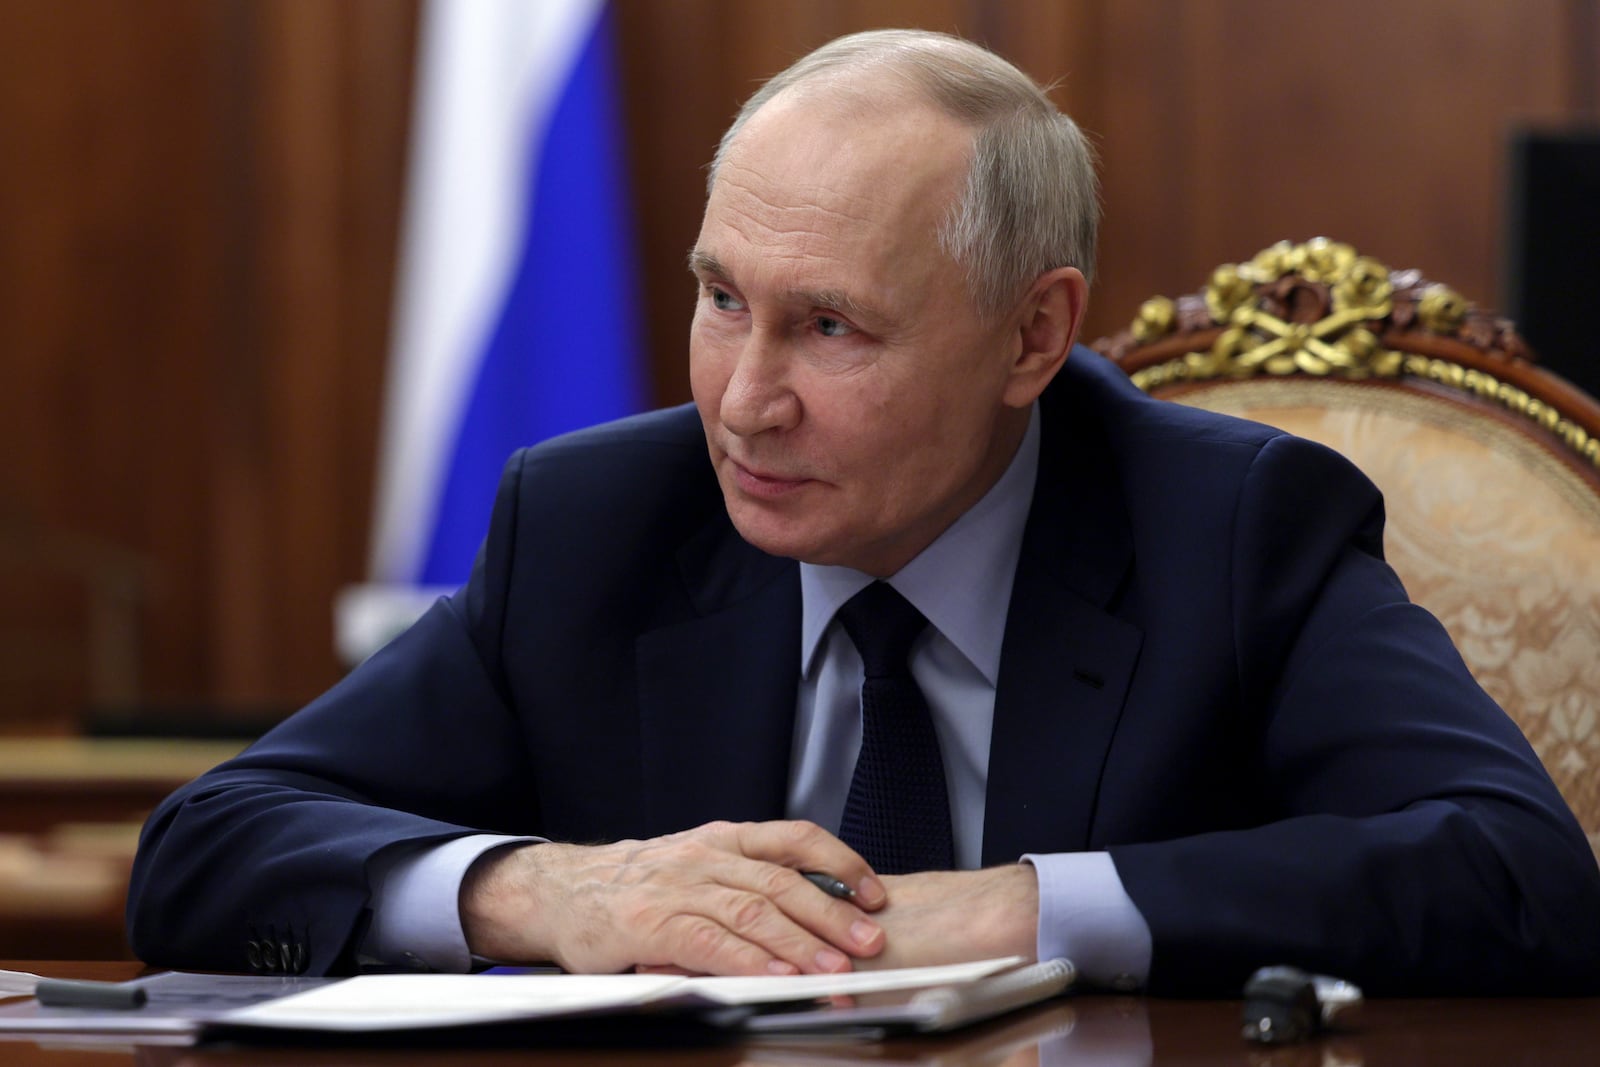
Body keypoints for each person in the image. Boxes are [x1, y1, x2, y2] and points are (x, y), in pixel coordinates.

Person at [127, 29, 1600, 996]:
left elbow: (1519, 877)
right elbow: (210, 847)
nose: (744, 402)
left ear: (1034, 336)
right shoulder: (598, 521)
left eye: (831, 328)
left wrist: (1012, 914)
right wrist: (545, 895)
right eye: (722, 302)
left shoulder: (1227, 529)